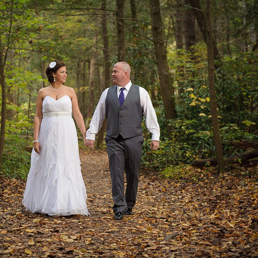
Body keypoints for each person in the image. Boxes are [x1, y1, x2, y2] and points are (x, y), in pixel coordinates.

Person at [85, 61, 160, 220]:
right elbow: (99, 115)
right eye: (112, 71)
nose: (112, 74)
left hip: (134, 139)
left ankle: (129, 204)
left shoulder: (141, 92)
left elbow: (150, 115)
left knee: (133, 173)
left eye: (115, 71)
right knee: (116, 173)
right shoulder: (107, 93)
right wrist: (91, 134)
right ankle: (119, 206)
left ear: (125, 73)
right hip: (113, 139)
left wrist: (155, 136)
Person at [22, 60, 89, 216]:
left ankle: (68, 203)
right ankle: (46, 203)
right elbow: (38, 116)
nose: (65, 74)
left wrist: (85, 133)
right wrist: (35, 139)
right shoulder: (43, 92)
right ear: (53, 74)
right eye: (62, 72)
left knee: (65, 164)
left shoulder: (71, 91)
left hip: (67, 132)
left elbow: (77, 114)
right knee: (48, 164)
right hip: (47, 132)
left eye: (66, 72)